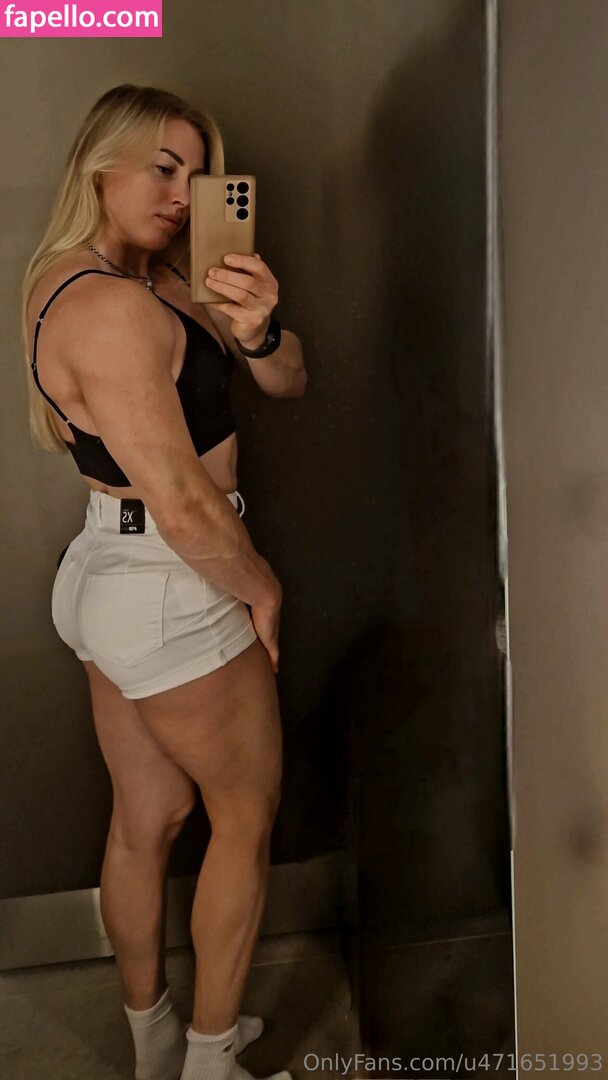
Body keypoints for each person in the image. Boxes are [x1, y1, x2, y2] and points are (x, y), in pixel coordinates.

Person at [22, 83, 307, 1080]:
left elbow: (289, 377)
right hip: (173, 576)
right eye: (162, 166)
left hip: (114, 573)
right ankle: (209, 1063)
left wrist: (259, 328)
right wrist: (260, 588)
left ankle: (156, 1046)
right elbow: (183, 503)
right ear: (99, 164)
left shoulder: (149, 282)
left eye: (197, 173)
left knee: (149, 820)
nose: (183, 193)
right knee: (244, 815)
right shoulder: (110, 309)